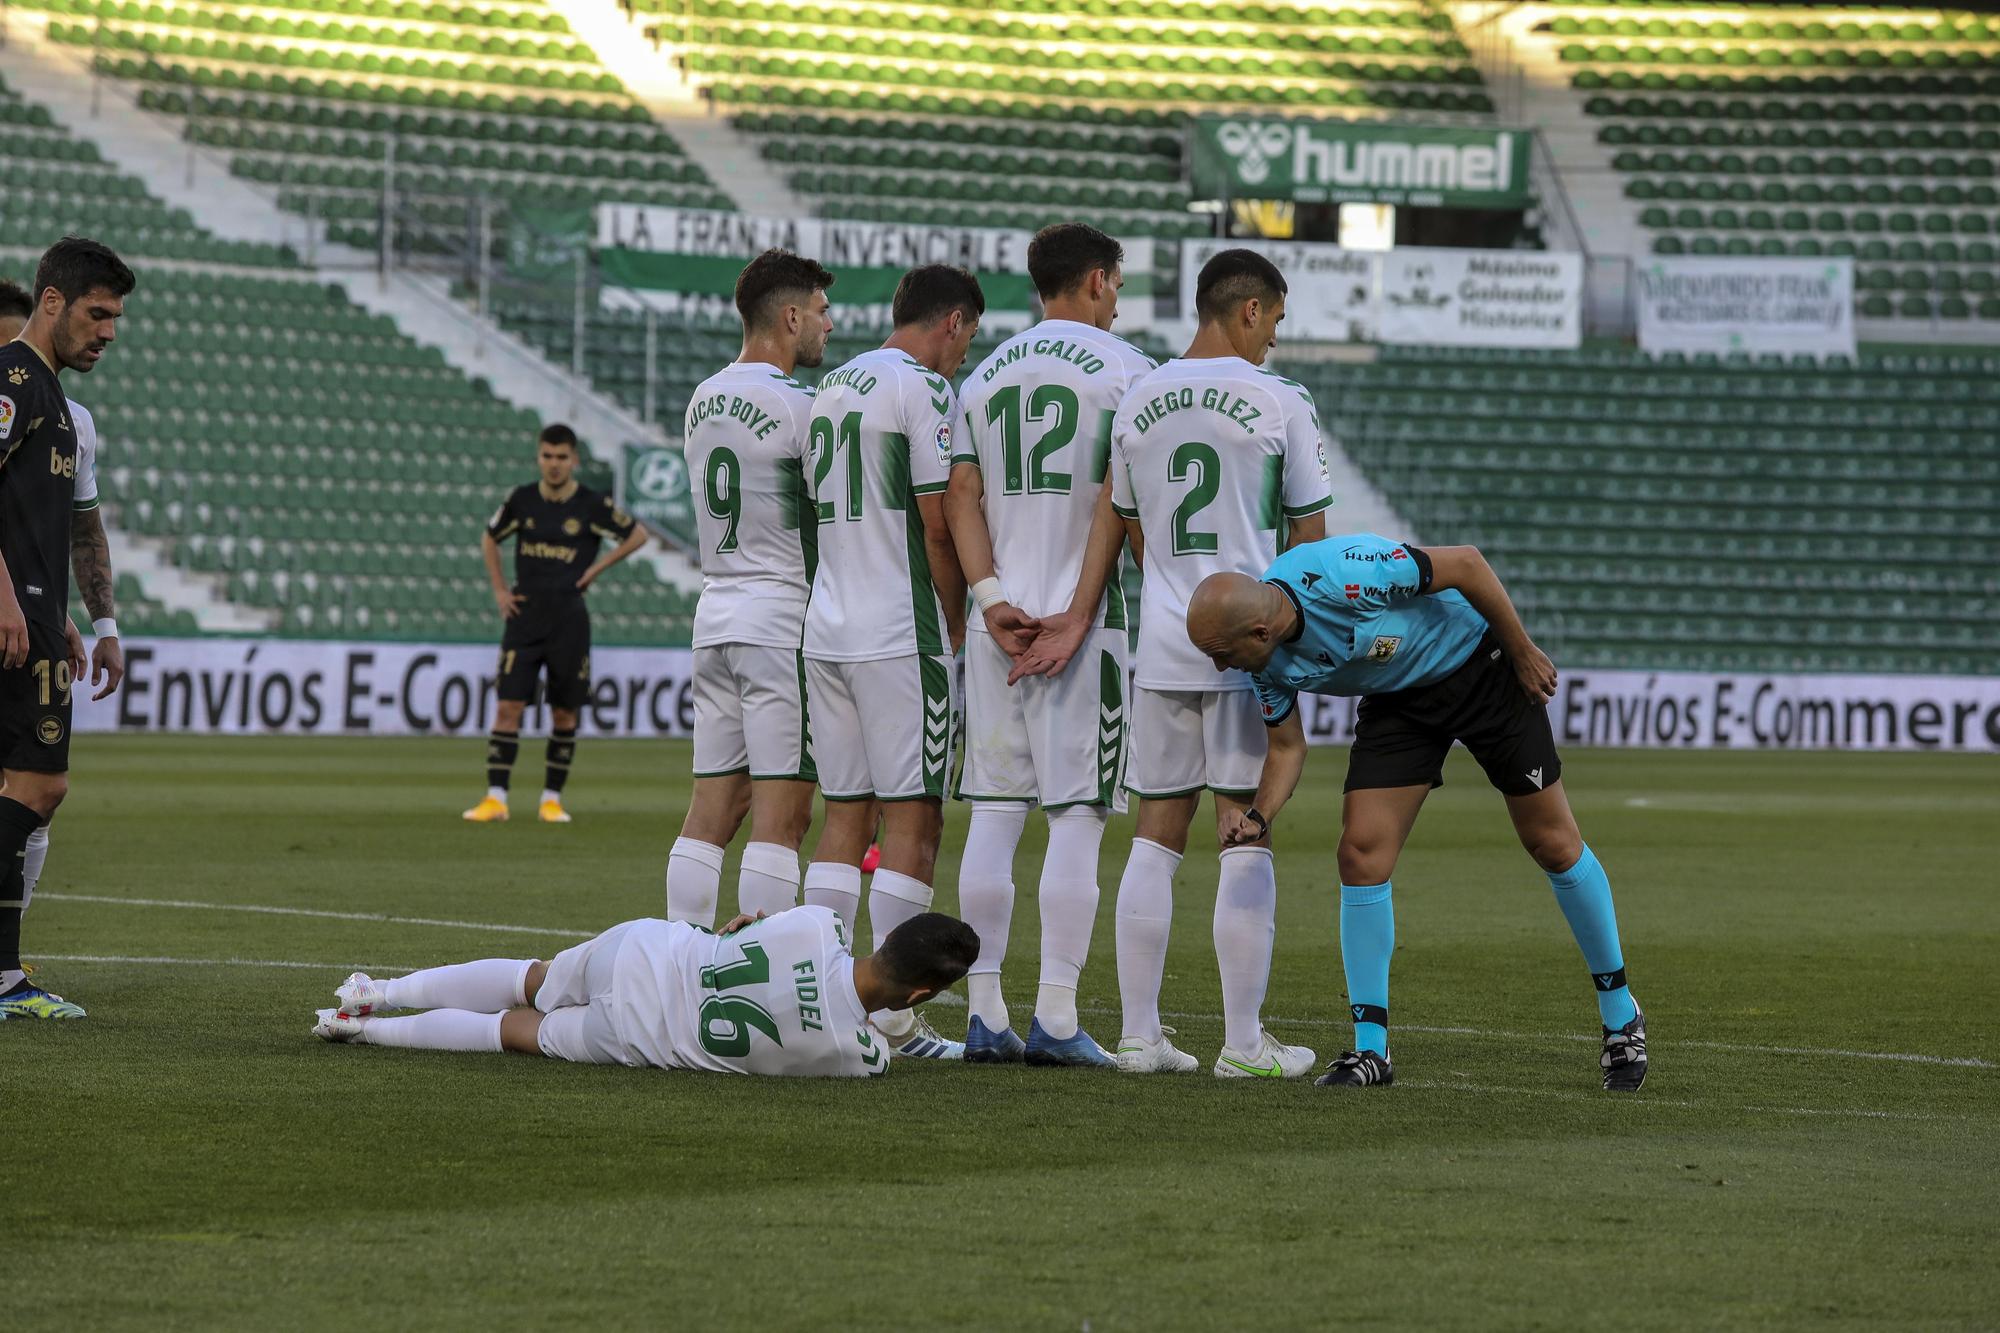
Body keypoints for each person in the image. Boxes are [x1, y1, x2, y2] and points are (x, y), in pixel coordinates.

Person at [1185, 538, 1647, 1092]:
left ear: (1259, 633)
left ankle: (1622, 1018)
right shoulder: (1261, 661)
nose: (1219, 666)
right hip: (1400, 699)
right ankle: (1370, 1051)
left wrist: (1520, 649)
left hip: (1482, 667)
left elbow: (1467, 564)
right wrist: (1259, 817)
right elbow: (1287, 748)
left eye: (1221, 653)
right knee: (1360, 854)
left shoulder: (1344, 575)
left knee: (1552, 842)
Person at [1098, 248, 1331, 1080]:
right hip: (1245, 649)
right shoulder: (1281, 401)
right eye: (1274, 321)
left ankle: (1136, 1035)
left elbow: (1127, 525)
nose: (1274, 339)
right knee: (1246, 834)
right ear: (1251, 311)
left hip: (1160, 643)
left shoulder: (1136, 399)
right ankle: (1242, 1042)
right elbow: (1312, 548)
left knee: (1155, 838)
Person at [942, 223, 1155, 1066]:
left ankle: (985, 1010)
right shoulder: (1132, 372)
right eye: (1119, 283)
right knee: (1078, 815)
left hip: (997, 626)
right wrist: (1081, 607)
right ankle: (1058, 1016)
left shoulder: (985, 373)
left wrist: (991, 600)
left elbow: (961, 491)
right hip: (1082, 624)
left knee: (994, 814)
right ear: (1098, 281)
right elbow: (1124, 499)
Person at [798, 263, 984, 1060]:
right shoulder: (924, 389)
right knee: (915, 818)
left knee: (844, 816)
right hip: (896, 630)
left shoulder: (829, 387)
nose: (963, 357)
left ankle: (819, 992)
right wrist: (953, 616)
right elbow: (939, 526)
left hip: (828, 626)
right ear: (952, 323)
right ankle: (893, 1019)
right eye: (967, 339)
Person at [313, 906, 981, 1078]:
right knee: (510, 1032)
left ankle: (380, 989)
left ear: (886, 935)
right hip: (642, 1034)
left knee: (533, 978)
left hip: (644, 951)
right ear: (917, 995)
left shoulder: (820, 924)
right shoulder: (859, 1056)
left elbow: (744, 926)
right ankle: (364, 1031)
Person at [666, 250, 835, 928]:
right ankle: (765, 984)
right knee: (783, 814)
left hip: (715, 613)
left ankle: (679, 963)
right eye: (822, 312)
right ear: (790, 317)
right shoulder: (805, 405)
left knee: (712, 808)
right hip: (781, 616)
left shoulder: (703, 396)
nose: (829, 325)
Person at [0, 236, 135, 1020]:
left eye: (115, 317)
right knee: (40, 785)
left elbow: (75, 529)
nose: (109, 331)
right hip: (14, 625)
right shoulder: (15, 379)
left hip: (38, 620)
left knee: (28, 789)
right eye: (98, 313)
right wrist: (12, 601)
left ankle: (6, 978)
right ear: (53, 301)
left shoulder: (59, 402)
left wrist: (87, 619)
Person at [464, 424, 647, 825]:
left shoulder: (592, 505)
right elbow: (490, 538)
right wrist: (499, 590)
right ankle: (495, 798)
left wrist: (597, 569)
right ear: (539, 457)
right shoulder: (521, 499)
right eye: (547, 455)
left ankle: (551, 799)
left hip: (568, 618)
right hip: (524, 615)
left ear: (574, 460)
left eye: (562, 457)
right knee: (508, 704)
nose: (554, 464)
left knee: (565, 712)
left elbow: (638, 536)